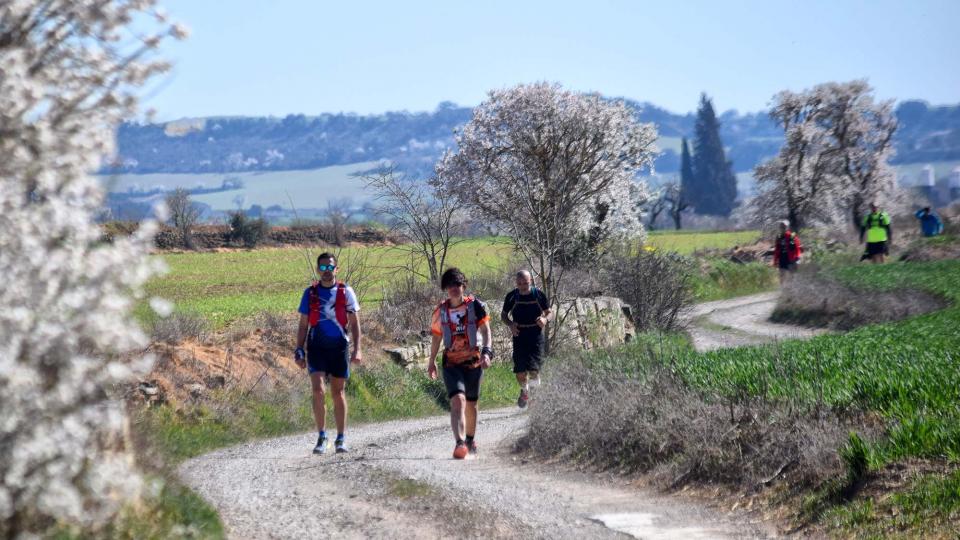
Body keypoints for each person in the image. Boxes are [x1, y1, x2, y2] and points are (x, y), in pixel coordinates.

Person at [294, 252, 362, 455]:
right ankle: (322, 436)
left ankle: (341, 437)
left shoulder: (345, 292)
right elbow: (303, 325)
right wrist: (299, 349)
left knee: (338, 392)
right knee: (318, 390)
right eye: (322, 268)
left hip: (339, 348)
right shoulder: (310, 293)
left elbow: (356, 324)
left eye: (330, 267)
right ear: (318, 270)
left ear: (336, 269)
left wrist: (358, 349)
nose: (326, 271)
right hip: (316, 348)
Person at [427, 267, 494, 459]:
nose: (454, 288)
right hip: (451, 364)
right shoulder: (441, 311)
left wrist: (487, 352)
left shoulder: (475, 306)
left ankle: (471, 439)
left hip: (474, 362)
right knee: (458, 400)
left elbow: (486, 331)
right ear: (445, 289)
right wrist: (431, 362)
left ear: (463, 286)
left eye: (457, 284)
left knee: (471, 404)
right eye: (450, 285)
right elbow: (436, 338)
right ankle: (459, 443)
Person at [500, 270, 552, 408]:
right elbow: (504, 315)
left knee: (534, 369)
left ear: (531, 281)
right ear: (516, 283)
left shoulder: (538, 295)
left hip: (535, 335)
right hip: (519, 335)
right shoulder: (512, 296)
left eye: (525, 283)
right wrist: (511, 324)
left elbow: (549, 312)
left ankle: (535, 397)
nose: (522, 286)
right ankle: (525, 390)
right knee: (520, 370)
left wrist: (544, 319)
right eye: (520, 283)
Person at [772, 220, 802, 284]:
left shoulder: (792, 236)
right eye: (781, 226)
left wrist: (798, 258)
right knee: (781, 275)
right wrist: (775, 261)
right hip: (782, 258)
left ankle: (792, 288)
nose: (782, 228)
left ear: (787, 227)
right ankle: (782, 289)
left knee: (792, 275)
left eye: (784, 226)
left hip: (791, 259)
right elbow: (777, 250)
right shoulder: (779, 237)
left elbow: (797, 248)